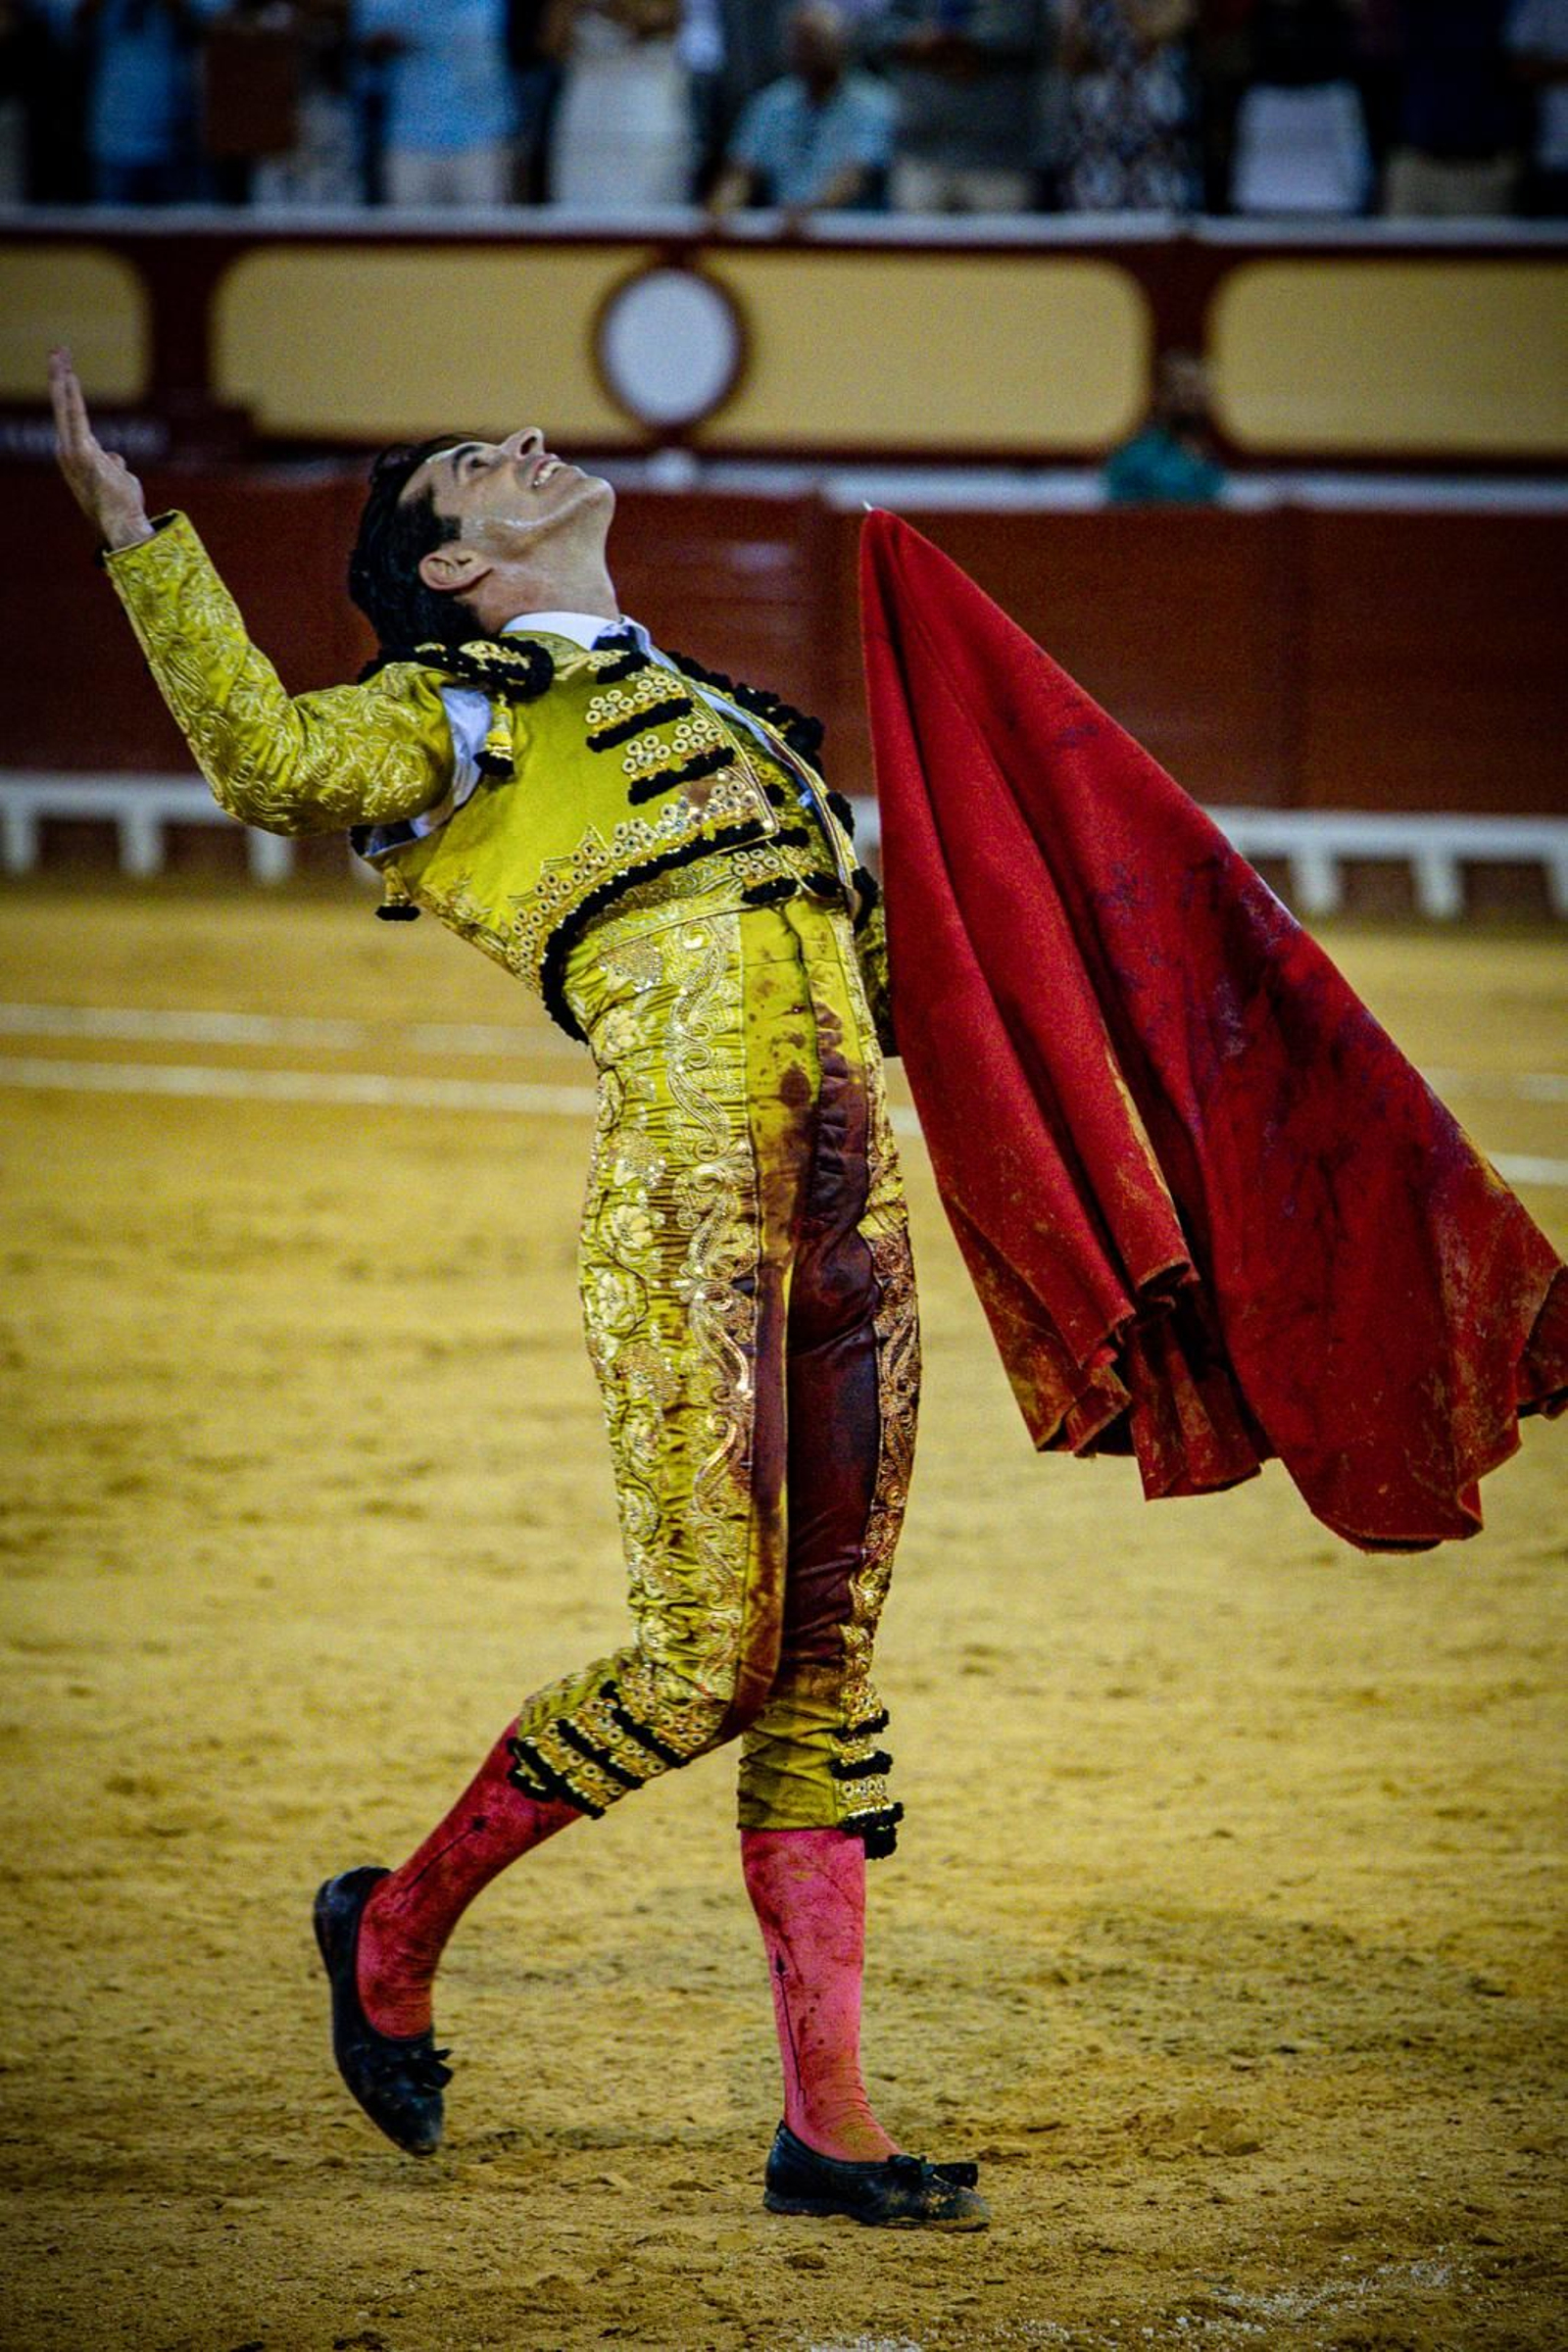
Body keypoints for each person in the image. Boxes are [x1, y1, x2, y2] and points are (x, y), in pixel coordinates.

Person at [48, 346, 988, 2233]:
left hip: (850, 1219)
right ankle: (388, 1928)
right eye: (483, 465)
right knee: (709, 1660)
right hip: (690, 1210)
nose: (528, 444)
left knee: (822, 1667)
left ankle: (833, 2130)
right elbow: (267, 764)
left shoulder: (740, 726)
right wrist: (141, 538)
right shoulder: (459, 709)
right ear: (460, 569)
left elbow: (911, 990)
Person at [708, 0, 893, 220]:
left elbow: (855, 178)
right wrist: (721, 208)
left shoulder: (875, 102)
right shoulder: (771, 103)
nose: (806, 53)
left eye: (814, 42)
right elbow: (741, 173)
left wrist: (808, 211)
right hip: (787, 230)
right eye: (799, 43)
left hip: (852, 235)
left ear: (841, 45)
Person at [1102, 347, 1226, 504]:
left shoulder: (1208, 453)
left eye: (1203, 387)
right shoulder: (1137, 457)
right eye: (1187, 386)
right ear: (1160, 395)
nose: (1197, 395)